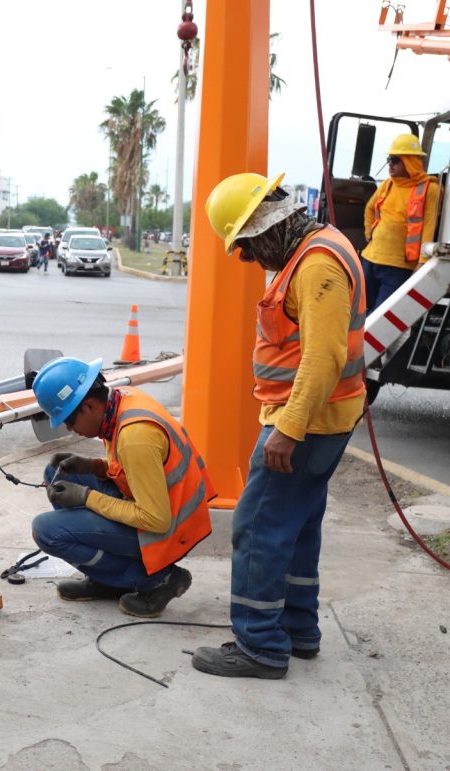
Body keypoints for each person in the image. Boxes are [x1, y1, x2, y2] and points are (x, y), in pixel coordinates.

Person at [196, 172, 367, 679]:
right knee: (297, 527)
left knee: (259, 529)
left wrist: (288, 429)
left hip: (307, 424)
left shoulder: (317, 264)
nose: (247, 258)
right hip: (321, 419)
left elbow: (324, 356)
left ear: (267, 225)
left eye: (246, 246)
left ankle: (260, 645)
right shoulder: (314, 250)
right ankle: (297, 629)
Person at [29, 357, 216, 618]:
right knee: (56, 474)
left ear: (89, 406)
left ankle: (158, 579)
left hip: (169, 529)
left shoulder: (135, 437)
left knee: (47, 531)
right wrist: (94, 467)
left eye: (70, 421)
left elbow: (155, 519)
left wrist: (87, 496)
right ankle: (108, 579)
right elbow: (134, 470)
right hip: (160, 505)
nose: (71, 430)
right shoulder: (121, 401)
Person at [361, 134, 440, 314]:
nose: (390, 164)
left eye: (395, 160)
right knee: (361, 312)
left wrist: (423, 262)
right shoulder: (387, 185)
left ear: (410, 161)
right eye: (389, 159)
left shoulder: (430, 189)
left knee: (381, 316)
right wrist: (368, 233)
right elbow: (370, 208)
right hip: (370, 259)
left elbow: (429, 226)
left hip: (398, 267)